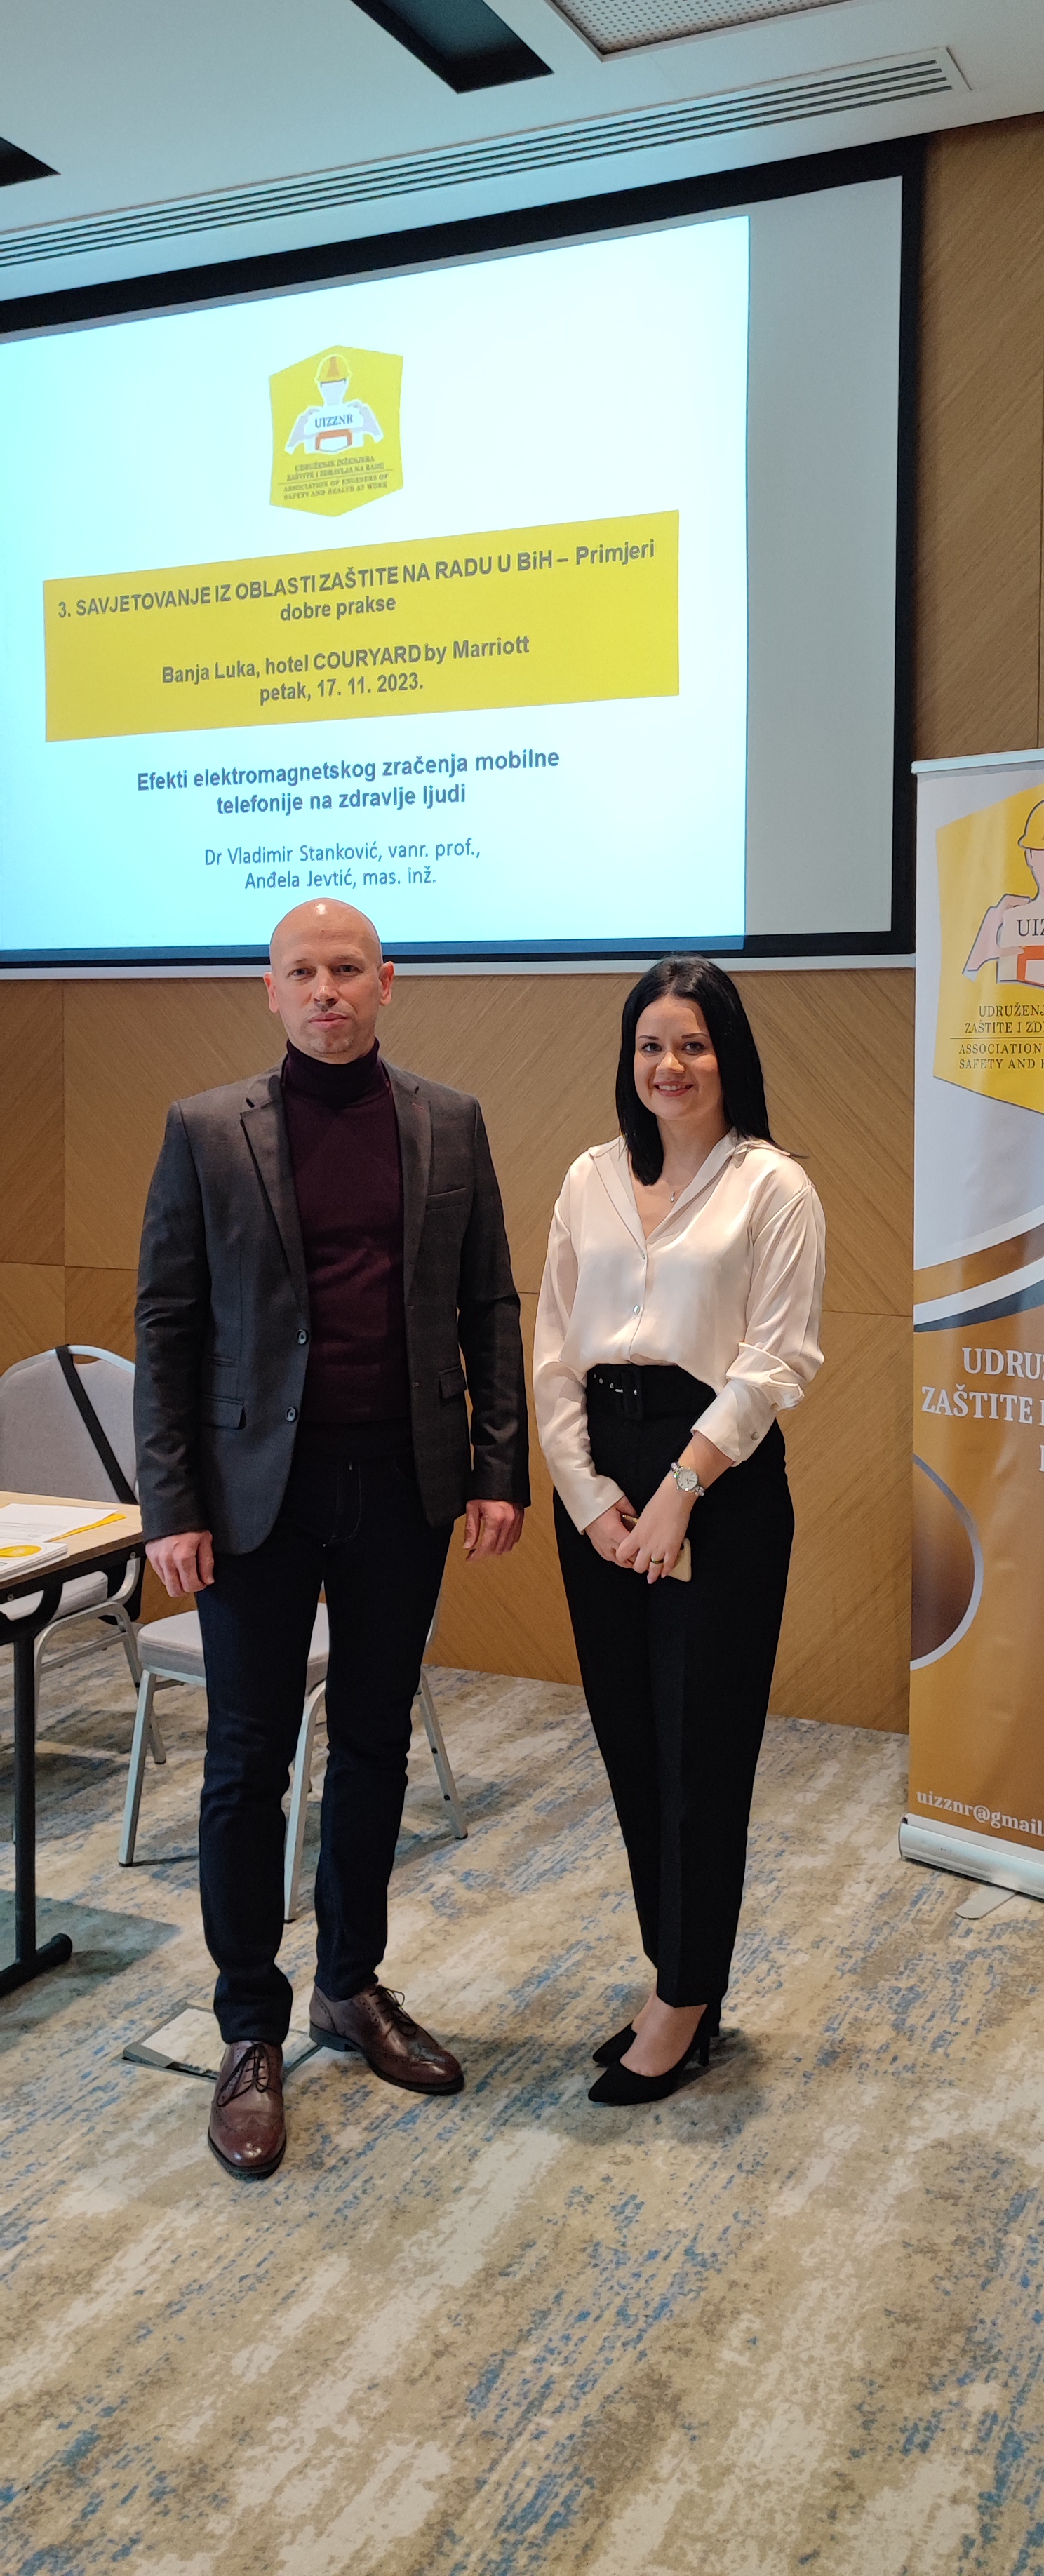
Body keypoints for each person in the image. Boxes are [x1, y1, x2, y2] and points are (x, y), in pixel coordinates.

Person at [134, 899, 528, 2180]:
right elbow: (167, 1325)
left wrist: (499, 1467)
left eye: (347, 968)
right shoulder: (206, 1130)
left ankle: (349, 1988)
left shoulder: (449, 1121)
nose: (327, 990)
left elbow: (488, 1305)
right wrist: (171, 1504)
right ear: (271, 990)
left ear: (386, 982)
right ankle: (248, 2023)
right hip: (256, 1500)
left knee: (371, 1746)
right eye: (302, 971)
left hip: (402, 1488)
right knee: (247, 1761)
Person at [533, 955, 824, 2107]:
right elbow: (556, 1349)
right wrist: (585, 1493)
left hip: (720, 1481)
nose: (671, 1065)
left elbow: (778, 1359)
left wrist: (680, 1487)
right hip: (603, 1482)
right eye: (652, 1044)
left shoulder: (774, 1185)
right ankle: (679, 1976)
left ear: (728, 1056)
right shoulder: (590, 1177)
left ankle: (686, 1998)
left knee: (701, 1753)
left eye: (693, 1044)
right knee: (630, 1743)